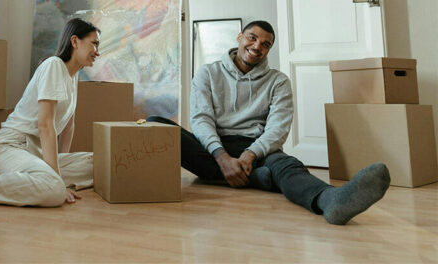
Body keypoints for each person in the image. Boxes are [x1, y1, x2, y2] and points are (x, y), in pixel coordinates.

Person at [149, 20, 391, 225]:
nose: (257, 47)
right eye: (252, 38)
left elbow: (278, 129)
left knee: (288, 165)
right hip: (214, 148)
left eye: (265, 45)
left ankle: (330, 201)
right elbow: (201, 119)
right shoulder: (208, 73)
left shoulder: (279, 81)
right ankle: (254, 178)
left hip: (256, 149)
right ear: (239, 37)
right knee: (156, 124)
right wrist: (222, 157)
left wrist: (248, 156)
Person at [0, 18, 100, 206]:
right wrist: (57, 179)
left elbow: (68, 126)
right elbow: (45, 124)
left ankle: (46, 179)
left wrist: (59, 162)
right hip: (11, 146)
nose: (98, 51)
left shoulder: (74, 76)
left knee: (100, 163)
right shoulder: (53, 65)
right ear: (74, 41)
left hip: (37, 152)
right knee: (54, 189)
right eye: (94, 44)